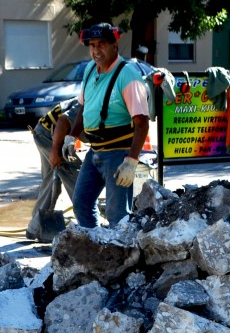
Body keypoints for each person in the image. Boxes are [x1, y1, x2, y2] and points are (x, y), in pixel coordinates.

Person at [60, 23, 150, 227]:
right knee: (81, 203)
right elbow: (84, 107)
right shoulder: (91, 69)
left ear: (114, 46)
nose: (95, 50)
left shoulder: (128, 76)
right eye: (92, 45)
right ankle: (95, 246)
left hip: (118, 154)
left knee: (117, 215)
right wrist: (72, 136)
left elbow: (142, 124)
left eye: (101, 44)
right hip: (95, 151)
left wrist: (131, 162)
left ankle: (122, 255)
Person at [27, 98, 81, 242]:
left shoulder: (93, 94)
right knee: (76, 177)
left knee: (51, 183)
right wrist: (55, 151)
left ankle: (34, 228)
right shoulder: (90, 103)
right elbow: (63, 122)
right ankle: (87, 223)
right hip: (47, 136)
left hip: (42, 131)